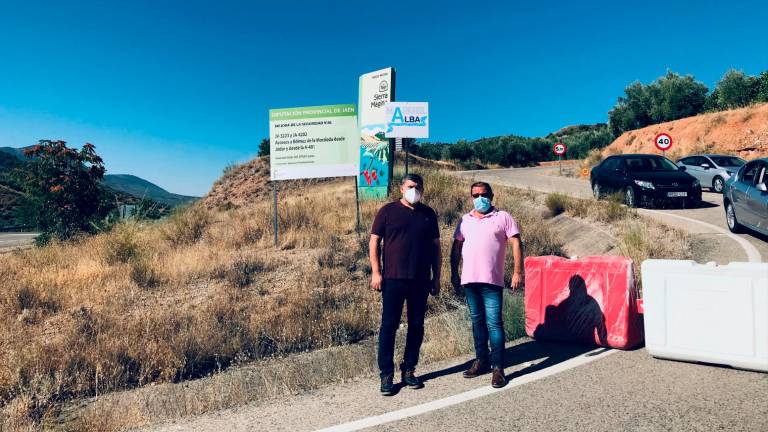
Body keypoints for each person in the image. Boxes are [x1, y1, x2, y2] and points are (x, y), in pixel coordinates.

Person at [370, 173, 441, 396]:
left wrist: (436, 277)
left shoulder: (428, 214)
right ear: (401, 189)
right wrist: (376, 272)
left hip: (420, 280)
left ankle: (409, 369)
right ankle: (386, 374)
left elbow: (436, 248)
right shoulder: (387, 211)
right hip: (393, 278)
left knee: (417, 325)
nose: (414, 190)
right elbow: (374, 242)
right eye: (410, 186)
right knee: (389, 326)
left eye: (418, 187)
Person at [450, 181, 522, 388]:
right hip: (469, 281)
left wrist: (517, 272)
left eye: (483, 194)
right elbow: (456, 248)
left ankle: (498, 367)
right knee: (477, 322)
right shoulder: (465, 220)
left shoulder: (503, 217)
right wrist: (454, 274)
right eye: (475, 195)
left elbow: (516, 242)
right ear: (471, 197)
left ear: (492, 195)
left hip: (492, 280)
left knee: (494, 323)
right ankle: (481, 360)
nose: (479, 198)